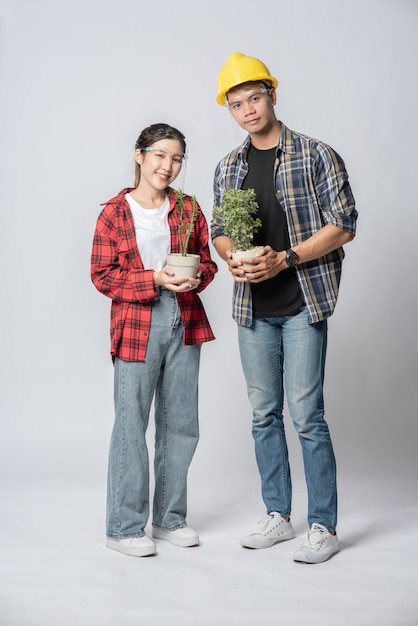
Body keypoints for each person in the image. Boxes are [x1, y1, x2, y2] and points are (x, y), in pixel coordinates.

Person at [211, 53, 357, 564]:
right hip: (252, 308)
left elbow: (343, 224)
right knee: (262, 415)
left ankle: (323, 526)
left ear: (272, 94)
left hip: (302, 304)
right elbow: (220, 233)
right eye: (237, 104)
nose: (248, 110)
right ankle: (278, 514)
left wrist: (285, 258)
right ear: (228, 111)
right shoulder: (228, 166)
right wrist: (234, 260)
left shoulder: (317, 155)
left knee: (307, 417)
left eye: (255, 98)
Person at [91, 122, 217, 557]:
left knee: (181, 423)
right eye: (160, 155)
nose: (168, 165)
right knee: (131, 424)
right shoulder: (115, 211)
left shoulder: (188, 206)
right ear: (140, 155)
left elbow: (207, 261)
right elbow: (102, 275)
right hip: (137, 320)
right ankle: (124, 527)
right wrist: (153, 278)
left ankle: (169, 518)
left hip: (185, 317)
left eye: (177, 158)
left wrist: (196, 277)